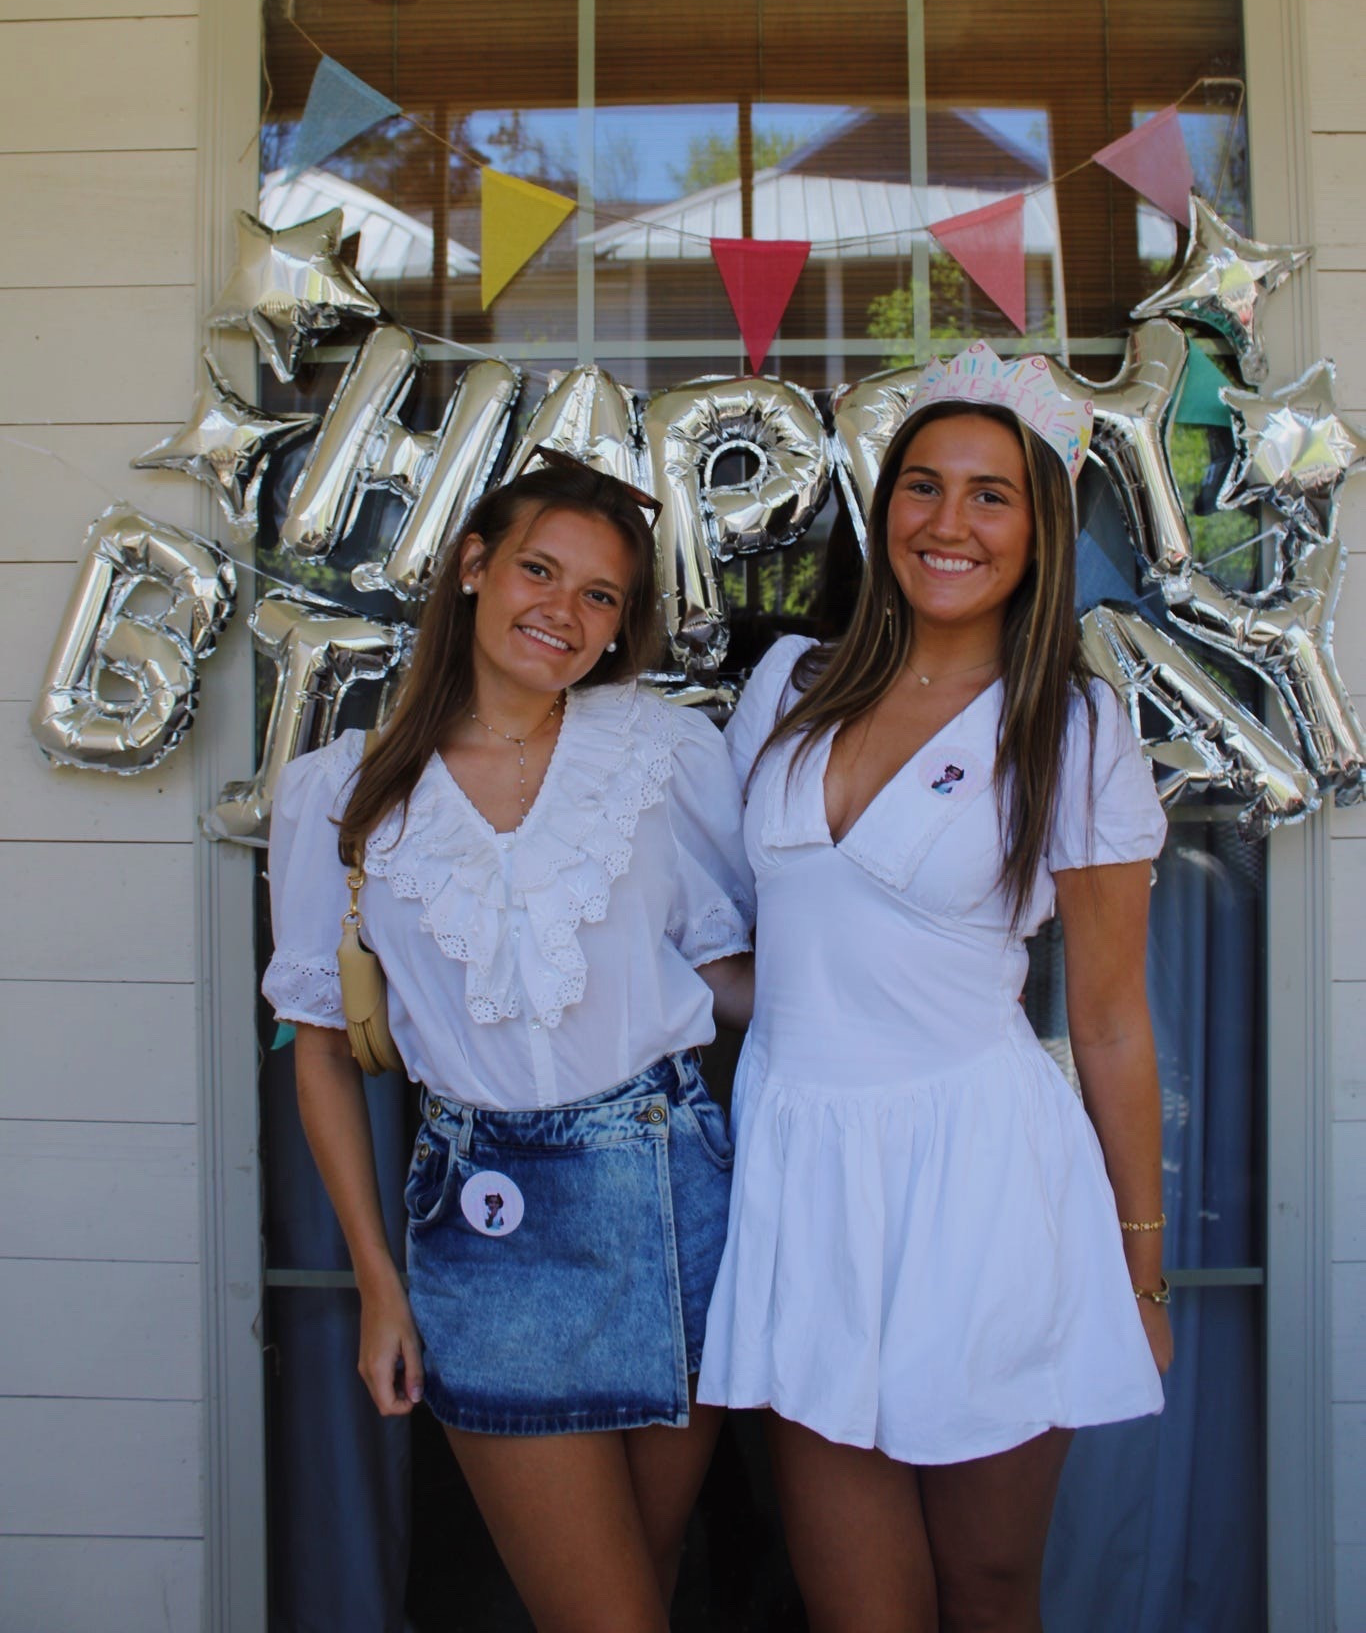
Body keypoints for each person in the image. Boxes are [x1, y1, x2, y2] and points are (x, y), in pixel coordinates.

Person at [698, 344, 1174, 1633]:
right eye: (921, 484)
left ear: (1038, 531)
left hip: (984, 1179)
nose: (946, 521)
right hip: (805, 1172)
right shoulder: (786, 687)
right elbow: (766, 955)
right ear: (882, 503)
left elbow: (1112, 1018)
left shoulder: (1071, 729)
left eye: (989, 494)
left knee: (986, 1582)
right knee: (858, 1603)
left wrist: (1140, 1270)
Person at [262, 451, 755, 1633]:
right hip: (488, 1222)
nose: (566, 610)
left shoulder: (661, 750)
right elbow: (320, 1047)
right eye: (540, 568)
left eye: (601, 595)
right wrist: (382, 1284)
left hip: (677, 1185)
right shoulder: (337, 794)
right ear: (474, 567)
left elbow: (727, 968)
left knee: (650, 1570)